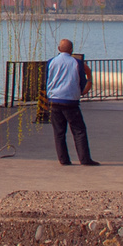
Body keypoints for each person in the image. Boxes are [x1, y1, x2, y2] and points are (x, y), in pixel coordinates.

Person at [45, 38, 99, 166]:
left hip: (54, 99)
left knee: (59, 132)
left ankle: (63, 160)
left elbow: (46, 80)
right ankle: (85, 159)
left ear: (59, 49)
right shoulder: (77, 63)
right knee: (79, 130)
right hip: (70, 101)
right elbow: (82, 81)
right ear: (71, 50)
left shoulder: (51, 62)